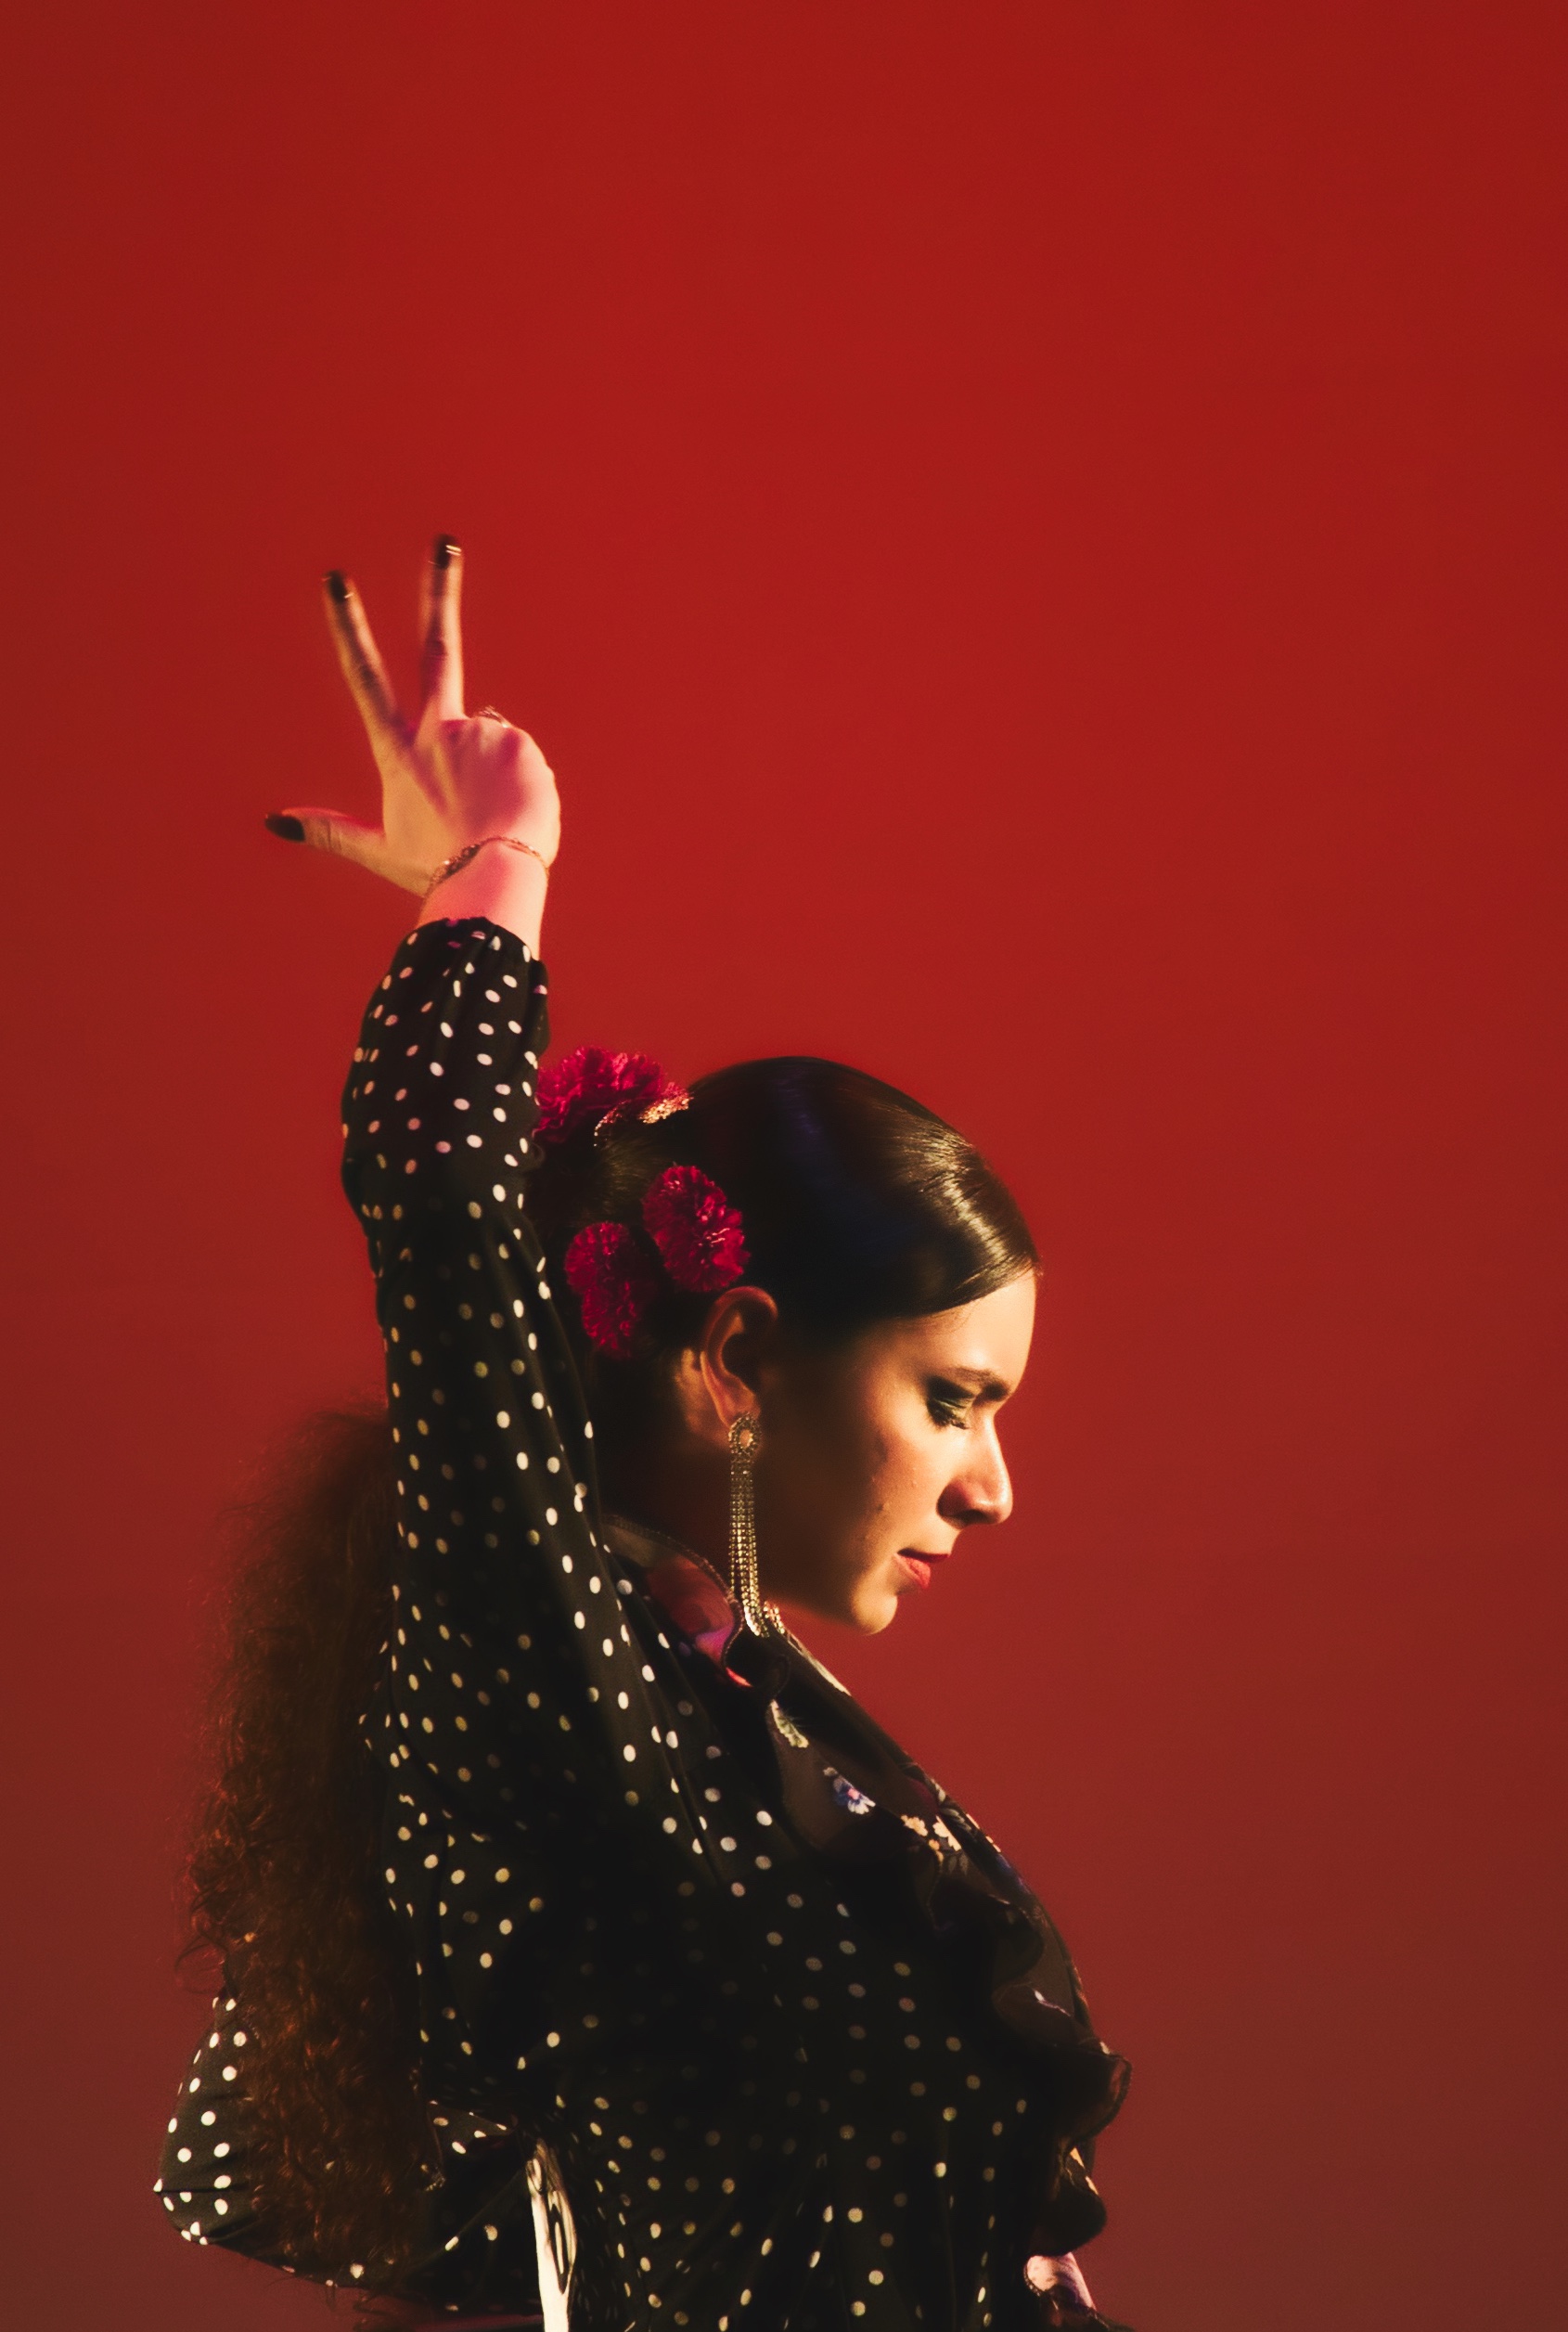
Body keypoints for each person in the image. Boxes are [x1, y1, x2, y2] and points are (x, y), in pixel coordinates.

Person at [156, 539, 1132, 2331]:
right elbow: (444, 1212)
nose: (993, 1488)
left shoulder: (735, 1707)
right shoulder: (552, 1664)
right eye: (951, 1401)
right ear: (739, 1353)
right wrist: (498, 873)